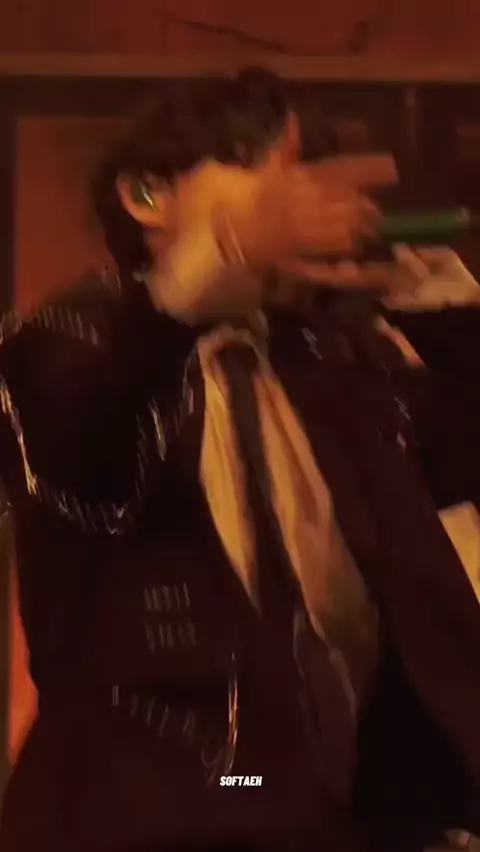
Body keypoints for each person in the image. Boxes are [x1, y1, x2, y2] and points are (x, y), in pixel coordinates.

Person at [0, 67, 479, 852]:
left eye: (312, 176)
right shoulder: (73, 338)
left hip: (333, 820)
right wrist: (217, 258)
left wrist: (434, 295)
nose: (301, 201)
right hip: (149, 813)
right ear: (147, 196)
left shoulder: (335, 363)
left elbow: (459, 460)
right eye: (261, 168)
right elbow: (80, 443)